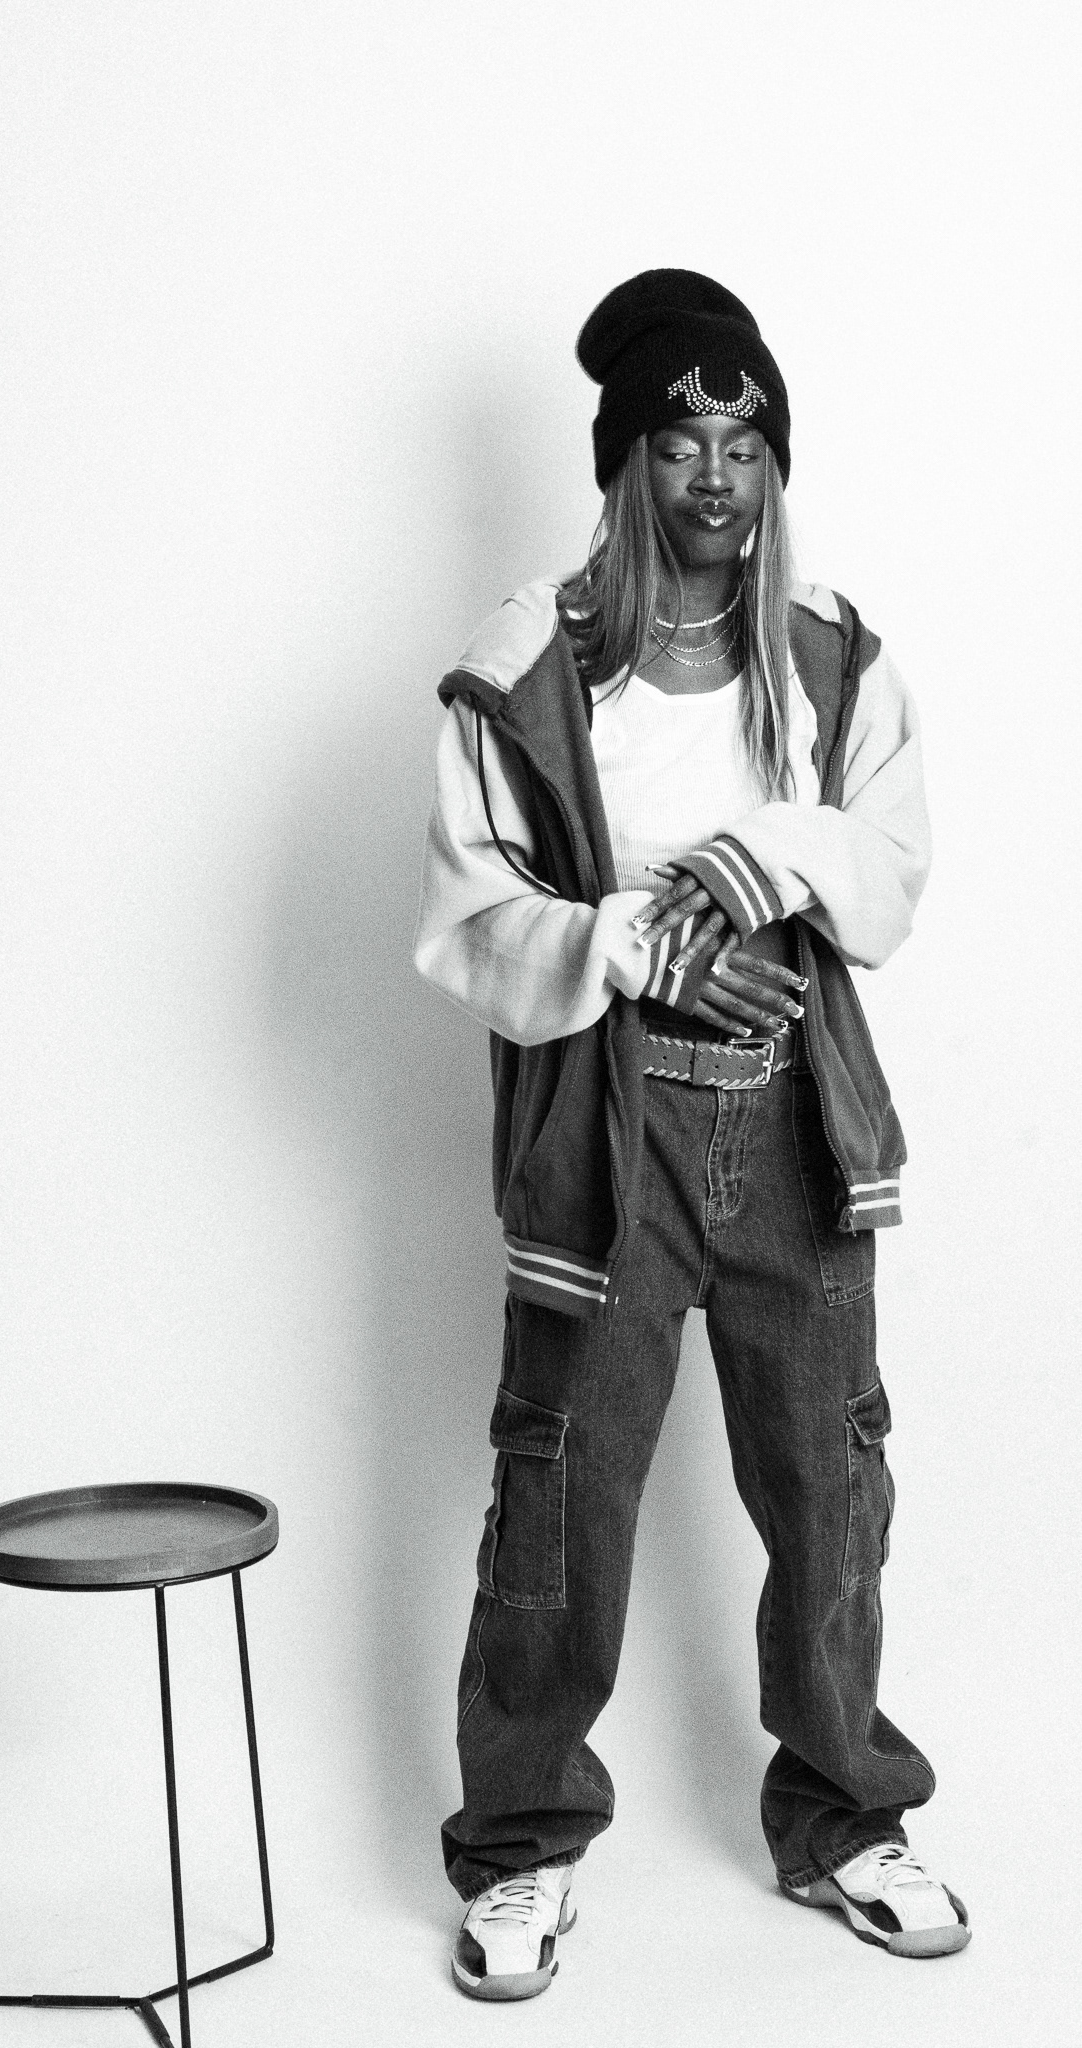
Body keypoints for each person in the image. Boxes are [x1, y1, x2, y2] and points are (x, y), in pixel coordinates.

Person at [413, 269, 969, 2000]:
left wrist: (762, 859)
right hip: (610, 1139)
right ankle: (519, 1841)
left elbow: (888, 868)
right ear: (624, 463)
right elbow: (466, 917)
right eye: (677, 441)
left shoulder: (829, 655)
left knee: (830, 1488)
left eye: (743, 443)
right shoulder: (529, 661)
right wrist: (643, 948)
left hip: (792, 1126)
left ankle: (845, 1816)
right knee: (559, 1493)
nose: (714, 476)